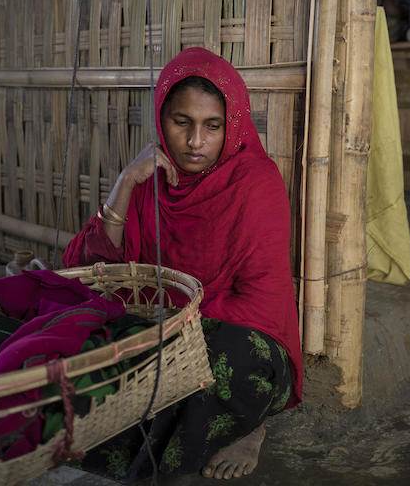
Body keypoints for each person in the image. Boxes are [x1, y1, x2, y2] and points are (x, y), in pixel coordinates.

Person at [63, 46, 303, 481]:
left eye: (212, 127)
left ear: (231, 126)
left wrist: (174, 336)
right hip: (157, 327)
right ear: (161, 119)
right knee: (87, 340)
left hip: (233, 337)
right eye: (181, 123)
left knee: (229, 361)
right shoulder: (148, 177)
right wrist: (124, 184)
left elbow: (263, 303)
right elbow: (88, 269)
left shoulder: (256, 182)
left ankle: (252, 426)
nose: (195, 142)